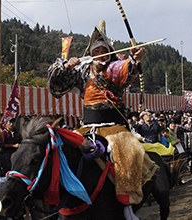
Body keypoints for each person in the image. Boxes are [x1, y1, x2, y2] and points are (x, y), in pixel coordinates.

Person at [48, 21, 157, 220]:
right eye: (96, 50)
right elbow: (55, 84)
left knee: (128, 151)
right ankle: (60, 200)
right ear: (90, 53)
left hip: (114, 128)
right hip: (86, 127)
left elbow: (126, 69)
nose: (100, 53)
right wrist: (65, 65)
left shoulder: (112, 68)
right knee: (64, 151)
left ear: (109, 53)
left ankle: (127, 206)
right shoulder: (82, 71)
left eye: (104, 50)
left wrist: (134, 59)